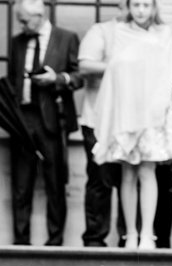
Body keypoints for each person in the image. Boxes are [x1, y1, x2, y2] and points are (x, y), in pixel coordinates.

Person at [91, 0, 172, 250]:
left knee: (147, 171)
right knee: (127, 173)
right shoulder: (120, 33)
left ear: (153, 8)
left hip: (152, 110)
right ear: (129, 7)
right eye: (136, 5)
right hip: (126, 109)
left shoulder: (164, 34)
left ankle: (147, 234)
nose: (141, 10)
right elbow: (115, 72)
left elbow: (166, 71)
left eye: (145, 5)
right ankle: (130, 233)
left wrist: (157, 105)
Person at [8, 0, 83, 246]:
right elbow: (11, 81)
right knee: (21, 185)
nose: (21, 24)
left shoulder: (67, 38)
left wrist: (57, 79)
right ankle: (21, 243)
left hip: (53, 119)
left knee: (55, 183)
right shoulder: (17, 43)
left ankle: (55, 242)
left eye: (25, 20)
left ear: (39, 16)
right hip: (22, 120)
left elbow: (79, 77)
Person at [116, 81, 172, 248]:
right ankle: (129, 235)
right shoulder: (130, 83)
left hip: (163, 148)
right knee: (129, 180)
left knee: (164, 196)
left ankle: (158, 239)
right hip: (137, 134)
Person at [77, 16, 122, 247]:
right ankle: (95, 239)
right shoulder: (101, 31)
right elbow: (84, 64)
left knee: (131, 180)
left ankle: (128, 238)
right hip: (97, 119)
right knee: (100, 179)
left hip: (130, 121)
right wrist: (119, 67)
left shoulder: (150, 34)